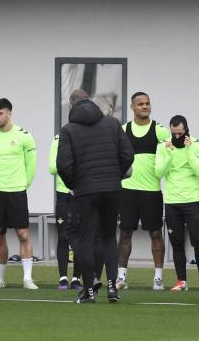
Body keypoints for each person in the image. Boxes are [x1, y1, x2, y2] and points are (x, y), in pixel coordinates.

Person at [57, 89, 134, 304]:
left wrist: (75, 184)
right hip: (112, 189)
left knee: (85, 240)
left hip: (85, 191)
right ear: (91, 102)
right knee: (109, 238)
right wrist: (114, 175)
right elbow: (128, 155)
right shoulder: (112, 124)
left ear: (72, 107)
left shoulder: (68, 130)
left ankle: (89, 291)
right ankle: (112, 288)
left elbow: (63, 165)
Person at [0, 98, 38, 290]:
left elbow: (31, 166)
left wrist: (22, 184)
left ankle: (27, 278)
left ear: (9, 112)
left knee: (23, 234)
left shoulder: (24, 136)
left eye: (0, 113)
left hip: (17, 192)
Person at [117, 92, 170, 291]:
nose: (145, 106)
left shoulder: (160, 131)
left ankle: (158, 278)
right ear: (132, 107)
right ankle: (121, 277)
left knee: (156, 233)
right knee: (125, 233)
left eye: (147, 103)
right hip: (128, 190)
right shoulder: (123, 130)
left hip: (152, 191)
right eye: (140, 104)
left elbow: (170, 158)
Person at [154, 115, 199, 292]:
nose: (176, 136)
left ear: (186, 129)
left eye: (179, 133)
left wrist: (187, 150)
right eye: (173, 133)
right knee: (176, 242)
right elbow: (159, 173)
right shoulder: (164, 146)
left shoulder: (198, 144)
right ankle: (181, 281)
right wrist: (170, 153)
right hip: (172, 202)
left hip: (191, 201)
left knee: (198, 240)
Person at [48, 134, 83, 291]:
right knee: (63, 236)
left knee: (80, 237)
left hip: (81, 194)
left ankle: (76, 278)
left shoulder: (86, 137)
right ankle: (63, 278)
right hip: (63, 194)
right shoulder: (58, 139)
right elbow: (52, 167)